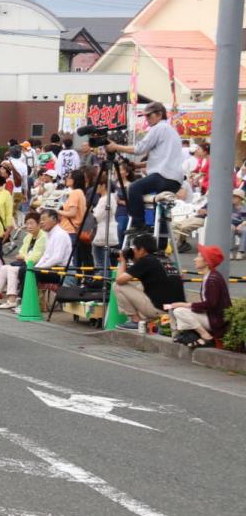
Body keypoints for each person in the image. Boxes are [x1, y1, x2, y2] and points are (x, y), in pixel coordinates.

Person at [102, 102, 185, 232]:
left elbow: (139, 149)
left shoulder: (158, 128)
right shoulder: (172, 132)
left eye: (149, 116)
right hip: (174, 180)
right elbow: (163, 159)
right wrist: (138, 165)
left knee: (134, 188)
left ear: (159, 114)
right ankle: (161, 245)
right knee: (161, 210)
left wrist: (116, 147)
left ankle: (138, 224)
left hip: (163, 176)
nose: (147, 119)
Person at [111, 234, 185, 332]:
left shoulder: (146, 261)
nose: (133, 251)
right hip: (175, 310)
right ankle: (148, 320)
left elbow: (119, 280)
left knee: (118, 286)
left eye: (134, 249)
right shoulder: (164, 258)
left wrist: (123, 261)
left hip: (159, 310)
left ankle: (136, 321)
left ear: (141, 250)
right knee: (140, 285)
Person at [166, 244, 231, 349]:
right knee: (175, 309)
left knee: (179, 311)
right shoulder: (210, 276)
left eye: (199, 256)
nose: (194, 259)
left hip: (217, 320)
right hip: (214, 317)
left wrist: (185, 304)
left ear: (206, 261)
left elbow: (210, 304)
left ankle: (206, 337)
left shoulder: (212, 280)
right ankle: (189, 335)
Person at [0, 211, 46, 310]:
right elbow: (20, 253)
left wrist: (24, 257)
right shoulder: (28, 236)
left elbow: (35, 257)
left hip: (36, 265)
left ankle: (12, 300)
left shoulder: (43, 237)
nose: (29, 226)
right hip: (25, 263)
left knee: (11, 269)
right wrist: (25, 256)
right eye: (27, 223)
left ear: (39, 224)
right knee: (4, 268)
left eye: (31, 223)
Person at [232, 188, 246, 260]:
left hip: (242, 225)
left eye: (234, 197)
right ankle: (230, 251)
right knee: (230, 228)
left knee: (245, 230)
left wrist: (242, 225)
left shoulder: (244, 207)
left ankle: (241, 252)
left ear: (240, 198)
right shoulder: (229, 206)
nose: (232, 198)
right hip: (231, 224)